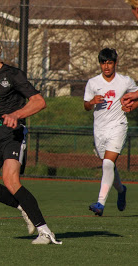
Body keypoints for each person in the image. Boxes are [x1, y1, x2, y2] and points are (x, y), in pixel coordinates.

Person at [0, 31, 61, 245]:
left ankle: (45, 232)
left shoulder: (13, 75)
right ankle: (23, 207)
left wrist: (16, 115)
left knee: (11, 180)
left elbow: (39, 101)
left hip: (13, 134)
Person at [84, 48, 136, 216]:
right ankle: (121, 190)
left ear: (115, 63)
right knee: (109, 166)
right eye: (103, 63)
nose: (106, 67)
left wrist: (131, 106)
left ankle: (100, 203)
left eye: (110, 63)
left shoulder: (125, 81)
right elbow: (86, 105)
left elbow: (136, 97)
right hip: (99, 129)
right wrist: (92, 102)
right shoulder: (93, 82)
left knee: (107, 164)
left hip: (118, 125)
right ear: (100, 63)